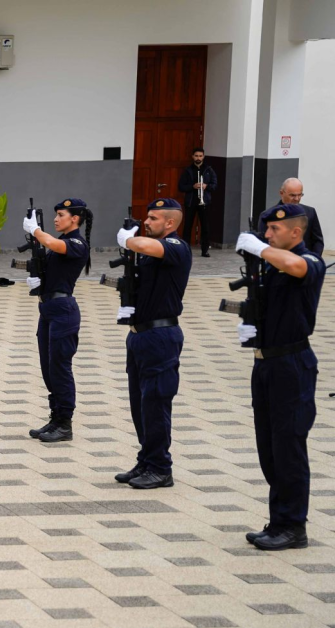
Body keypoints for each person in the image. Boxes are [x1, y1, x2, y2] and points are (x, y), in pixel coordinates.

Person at [235, 204, 324, 550]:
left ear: (295, 233)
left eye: (274, 230)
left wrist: (260, 248)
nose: (267, 234)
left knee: (289, 446)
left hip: (292, 364)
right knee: (269, 447)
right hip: (266, 363)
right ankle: (278, 519)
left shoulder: (309, 261)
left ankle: (293, 526)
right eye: (265, 230)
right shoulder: (271, 265)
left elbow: (295, 265)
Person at [114, 198, 192, 490]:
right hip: (139, 335)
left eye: (153, 219)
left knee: (157, 402)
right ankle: (147, 458)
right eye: (147, 218)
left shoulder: (176, 247)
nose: (146, 223)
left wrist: (130, 240)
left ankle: (161, 467)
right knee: (141, 403)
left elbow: (147, 246)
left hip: (161, 336)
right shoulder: (149, 251)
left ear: (170, 223)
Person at [21, 199, 93, 443]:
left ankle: (65, 423)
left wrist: (36, 230)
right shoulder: (60, 244)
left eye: (61, 214)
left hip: (64, 311)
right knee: (48, 367)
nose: (56, 219)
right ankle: (55, 418)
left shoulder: (76, 243)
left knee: (60, 367)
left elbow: (51, 241)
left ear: (75, 218)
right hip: (49, 308)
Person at [177, 147, 217, 257]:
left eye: (200, 156)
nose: (198, 158)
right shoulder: (188, 170)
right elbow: (181, 187)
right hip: (191, 202)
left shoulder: (209, 170)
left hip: (204, 203)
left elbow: (214, 185)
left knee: (205, 227)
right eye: (196, 156)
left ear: (203, 156)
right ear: (192, 157)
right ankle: (185, 249)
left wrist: (206, 186)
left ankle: (205, 250)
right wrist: (193, 186)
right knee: (187, 227)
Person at [276, 178, 324, 255]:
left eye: (300, 195)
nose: (297, 199)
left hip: (305, 262)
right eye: (292, 195)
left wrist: (314, 260)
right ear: (281, 193)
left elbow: (317, 241)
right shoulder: (270, 215)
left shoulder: (310, 212)